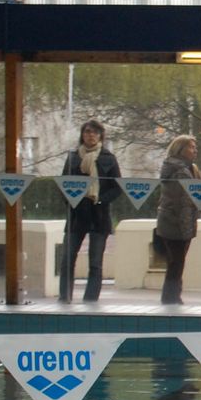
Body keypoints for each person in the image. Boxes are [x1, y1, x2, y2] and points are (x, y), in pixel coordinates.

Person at [57, 119, 123, 303]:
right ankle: (64, 297)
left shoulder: (108, 158)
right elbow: (63, 184)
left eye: (94, 132)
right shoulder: (73, 158)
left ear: (100, 135)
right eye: (87, 132)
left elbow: (117, 187)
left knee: (95, 262)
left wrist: (100, 200)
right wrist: (71, 201)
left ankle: (91, 300)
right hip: (76, 215)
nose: (91, 135)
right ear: (82, 135)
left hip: (99, 215)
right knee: (67, 259)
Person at [156, 135, 201, 305]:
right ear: (180, 149)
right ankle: (171, 298)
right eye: (191, 147)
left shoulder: (190, 169)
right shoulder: (179, 170)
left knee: (176, 263)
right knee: (176, 263)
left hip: (182, 222)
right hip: (174, 222)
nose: (195, 150)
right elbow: (182, 201)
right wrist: (185, 228)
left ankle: (173, 296)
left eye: (195, 147)